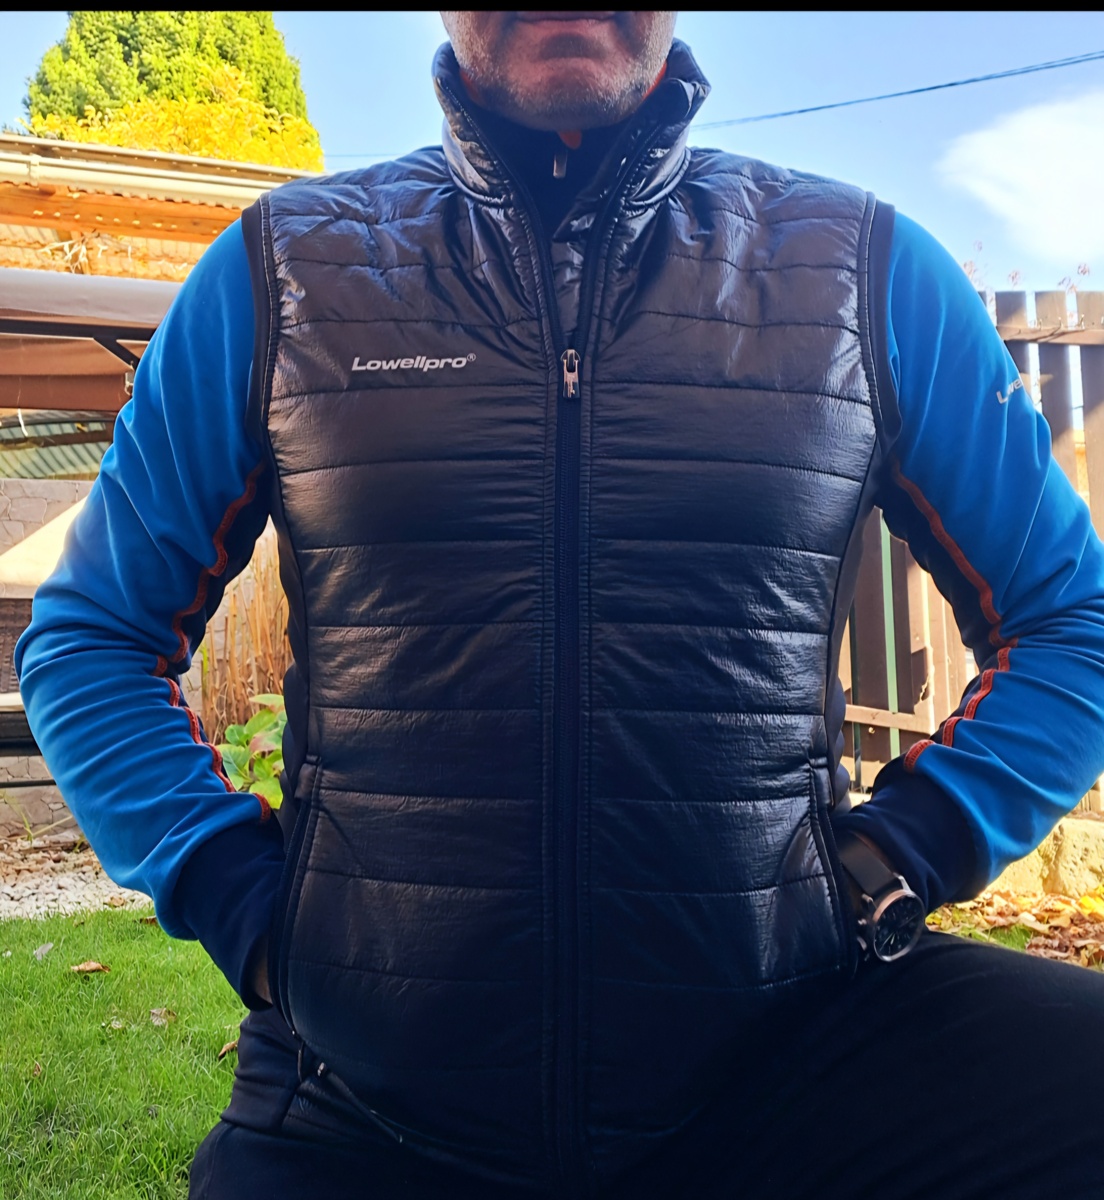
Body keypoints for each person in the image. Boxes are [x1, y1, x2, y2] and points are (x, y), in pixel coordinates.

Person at [17, 12, 1104, 1199]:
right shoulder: (280, 273)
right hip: (366, 1096)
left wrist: (900, 856)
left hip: (789, 1063)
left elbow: (1074, 622)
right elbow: (92, 637)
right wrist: (242, 906)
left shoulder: (864, 270)